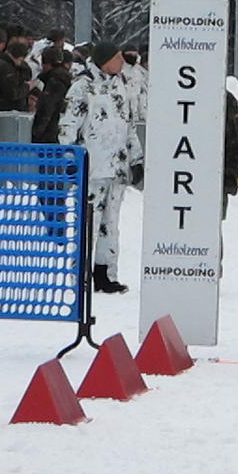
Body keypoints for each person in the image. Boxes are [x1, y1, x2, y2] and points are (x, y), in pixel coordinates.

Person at [58, 42, 141, 294]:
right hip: (91, 169)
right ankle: (79, 275)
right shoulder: (83, 87)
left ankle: (105, 274)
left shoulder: (120, 85)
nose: (122, 63)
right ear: (105, 60)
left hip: (116, 169)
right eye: (117, 58)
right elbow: (68, 126)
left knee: (110, 224)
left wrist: (136, 159)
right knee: (87, 225)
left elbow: (129, 125)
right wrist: (70, 162)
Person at [0, 36, 34, 113]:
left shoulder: (1, 62)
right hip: (3, 110)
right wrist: (27, 86)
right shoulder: (4, 67)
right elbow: (12, 93)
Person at [32, 47, 72, 144]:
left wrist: (36, 132)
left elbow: (48, 107)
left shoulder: (54, 81)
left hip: (49, 133)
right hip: (57, 129)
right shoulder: (63, 78)